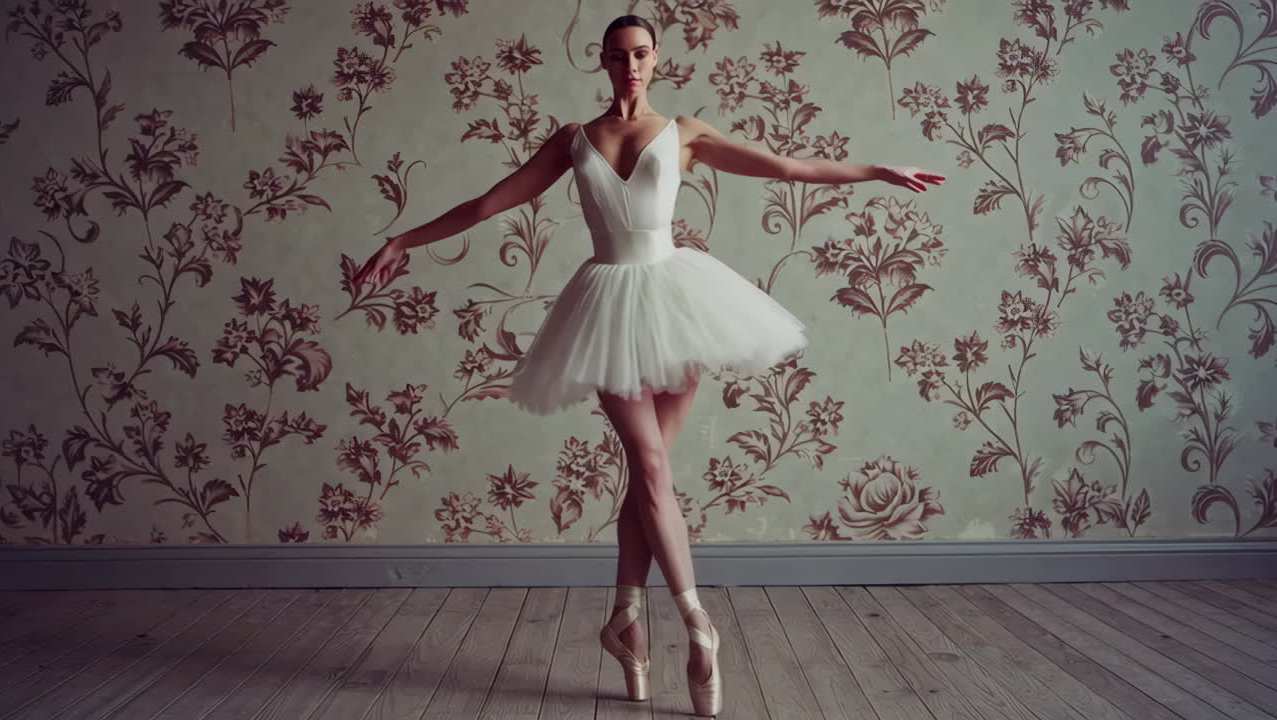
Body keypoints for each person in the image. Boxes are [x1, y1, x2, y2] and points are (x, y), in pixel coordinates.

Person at [355, 14, 944, 716]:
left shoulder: (686, 132)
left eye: (640, 54)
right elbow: (489, 203)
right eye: (616, 56)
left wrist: (878, 170)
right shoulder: (574, 141)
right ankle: (699, 623)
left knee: (648, 473)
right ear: (602, 63)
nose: (629, 66)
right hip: (607, 307)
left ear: (656, 58)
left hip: (675, 301)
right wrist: (403, 239)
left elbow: (787, 167)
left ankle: (626, 622)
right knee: (654, 468)